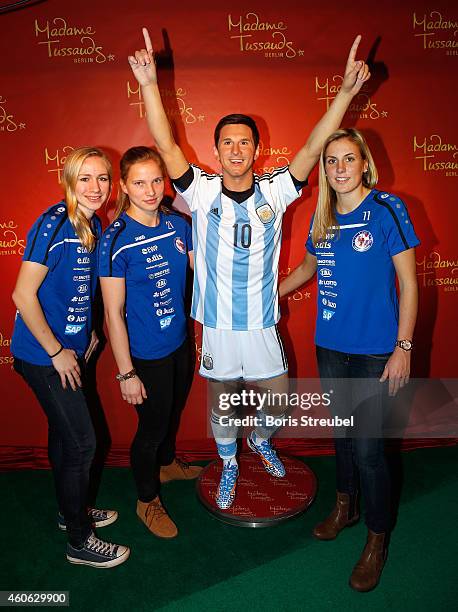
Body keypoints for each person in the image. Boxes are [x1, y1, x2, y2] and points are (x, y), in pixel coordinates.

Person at [127, 28, 370, 510]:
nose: (236, 150)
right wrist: (149, 85)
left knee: (277, 397)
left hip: (260, 320)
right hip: (217, 322)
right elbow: (166, 141)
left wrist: (343, 94)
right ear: (216, 152)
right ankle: (230, 461)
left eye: (244, 143)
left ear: (256, 150)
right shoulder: (199, 191)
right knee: (221, 400)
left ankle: (259, 439)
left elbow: (309, 148)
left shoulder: (278, 189)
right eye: (227, 143)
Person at [279, 128, 419, 591]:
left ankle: (377, 538)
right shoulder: (321, 217)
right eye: (331, 161)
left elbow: (410, 284)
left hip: (377, 352)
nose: (339, 168)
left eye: (347, 159)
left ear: (364, 164)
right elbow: (306, 269)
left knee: (369, 449)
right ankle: (346, 505)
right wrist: (263, 296)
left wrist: (403, 348)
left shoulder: (387, 209)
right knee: (342, 434)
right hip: (331, 347)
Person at [11, 147, 130, 568]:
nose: (95, 188)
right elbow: (22, 295)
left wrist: (89, 328)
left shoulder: (93, 222)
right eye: (85, 178)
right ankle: (80, 540)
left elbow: (76, 286)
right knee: (83, 443)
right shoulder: (53, 224)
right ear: (68, 181)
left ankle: (70, 510)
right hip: (43, 356)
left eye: (102, 178)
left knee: (65, 437)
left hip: (69, 349)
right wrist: (58, 350)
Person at [99, 146, 200, 539]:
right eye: (139, 183)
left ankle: (168, 464)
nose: (150, 190)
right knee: (151, 429)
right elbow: (112, 314)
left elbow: (205, 271)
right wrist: (126, 373)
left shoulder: (178, 225)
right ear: (124, 185)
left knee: (172, 413)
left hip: (180, 342)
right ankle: (146, 500)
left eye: (157, 180)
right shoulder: (115, 239)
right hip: (146, 354)